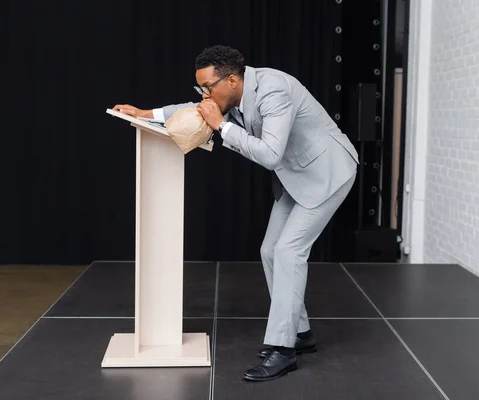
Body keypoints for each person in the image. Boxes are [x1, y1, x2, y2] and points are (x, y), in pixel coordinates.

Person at [113, 45, 359, 382]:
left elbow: (271, 155)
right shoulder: (232, 95)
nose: (203, 94)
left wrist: (223, 127)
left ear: (231, 80)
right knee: (270, 250)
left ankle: (283, 350)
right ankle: (301, 333)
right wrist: (147, 113)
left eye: (207, 87)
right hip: (298, 176)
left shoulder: (274, 90)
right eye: (200, 88)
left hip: (327, 173)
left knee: (289, 252)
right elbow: (195, 109)